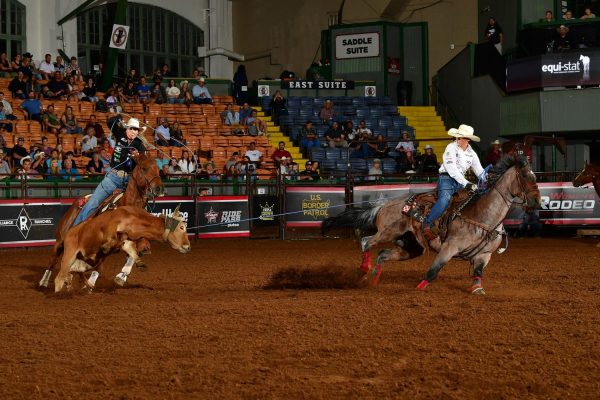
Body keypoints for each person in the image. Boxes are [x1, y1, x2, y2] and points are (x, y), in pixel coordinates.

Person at [72, 116, 147, 226]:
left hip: (129, 181)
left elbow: (144, 163)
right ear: (127, 128)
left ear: (138, 132)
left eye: (136, 129)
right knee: (93, 203)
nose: (133, 131)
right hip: (112, 178)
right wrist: (120, 116)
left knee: (139, 206)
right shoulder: (120, 133)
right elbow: (109, 122)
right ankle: (75, 230)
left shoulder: (139, 145)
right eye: (131, 128)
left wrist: (138, 157)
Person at [423, 124, 485, 241]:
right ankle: (427, 223)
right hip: (447, 179)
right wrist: (467, 183)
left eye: (459, 137)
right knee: (444, 199)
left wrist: (486, 178)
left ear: (467, 139)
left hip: (460, 182)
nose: (457, 139)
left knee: (472, 200)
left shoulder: (472, 153)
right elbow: (452, 170)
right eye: (457, 137)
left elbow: (479, 169)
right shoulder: (451, 147)